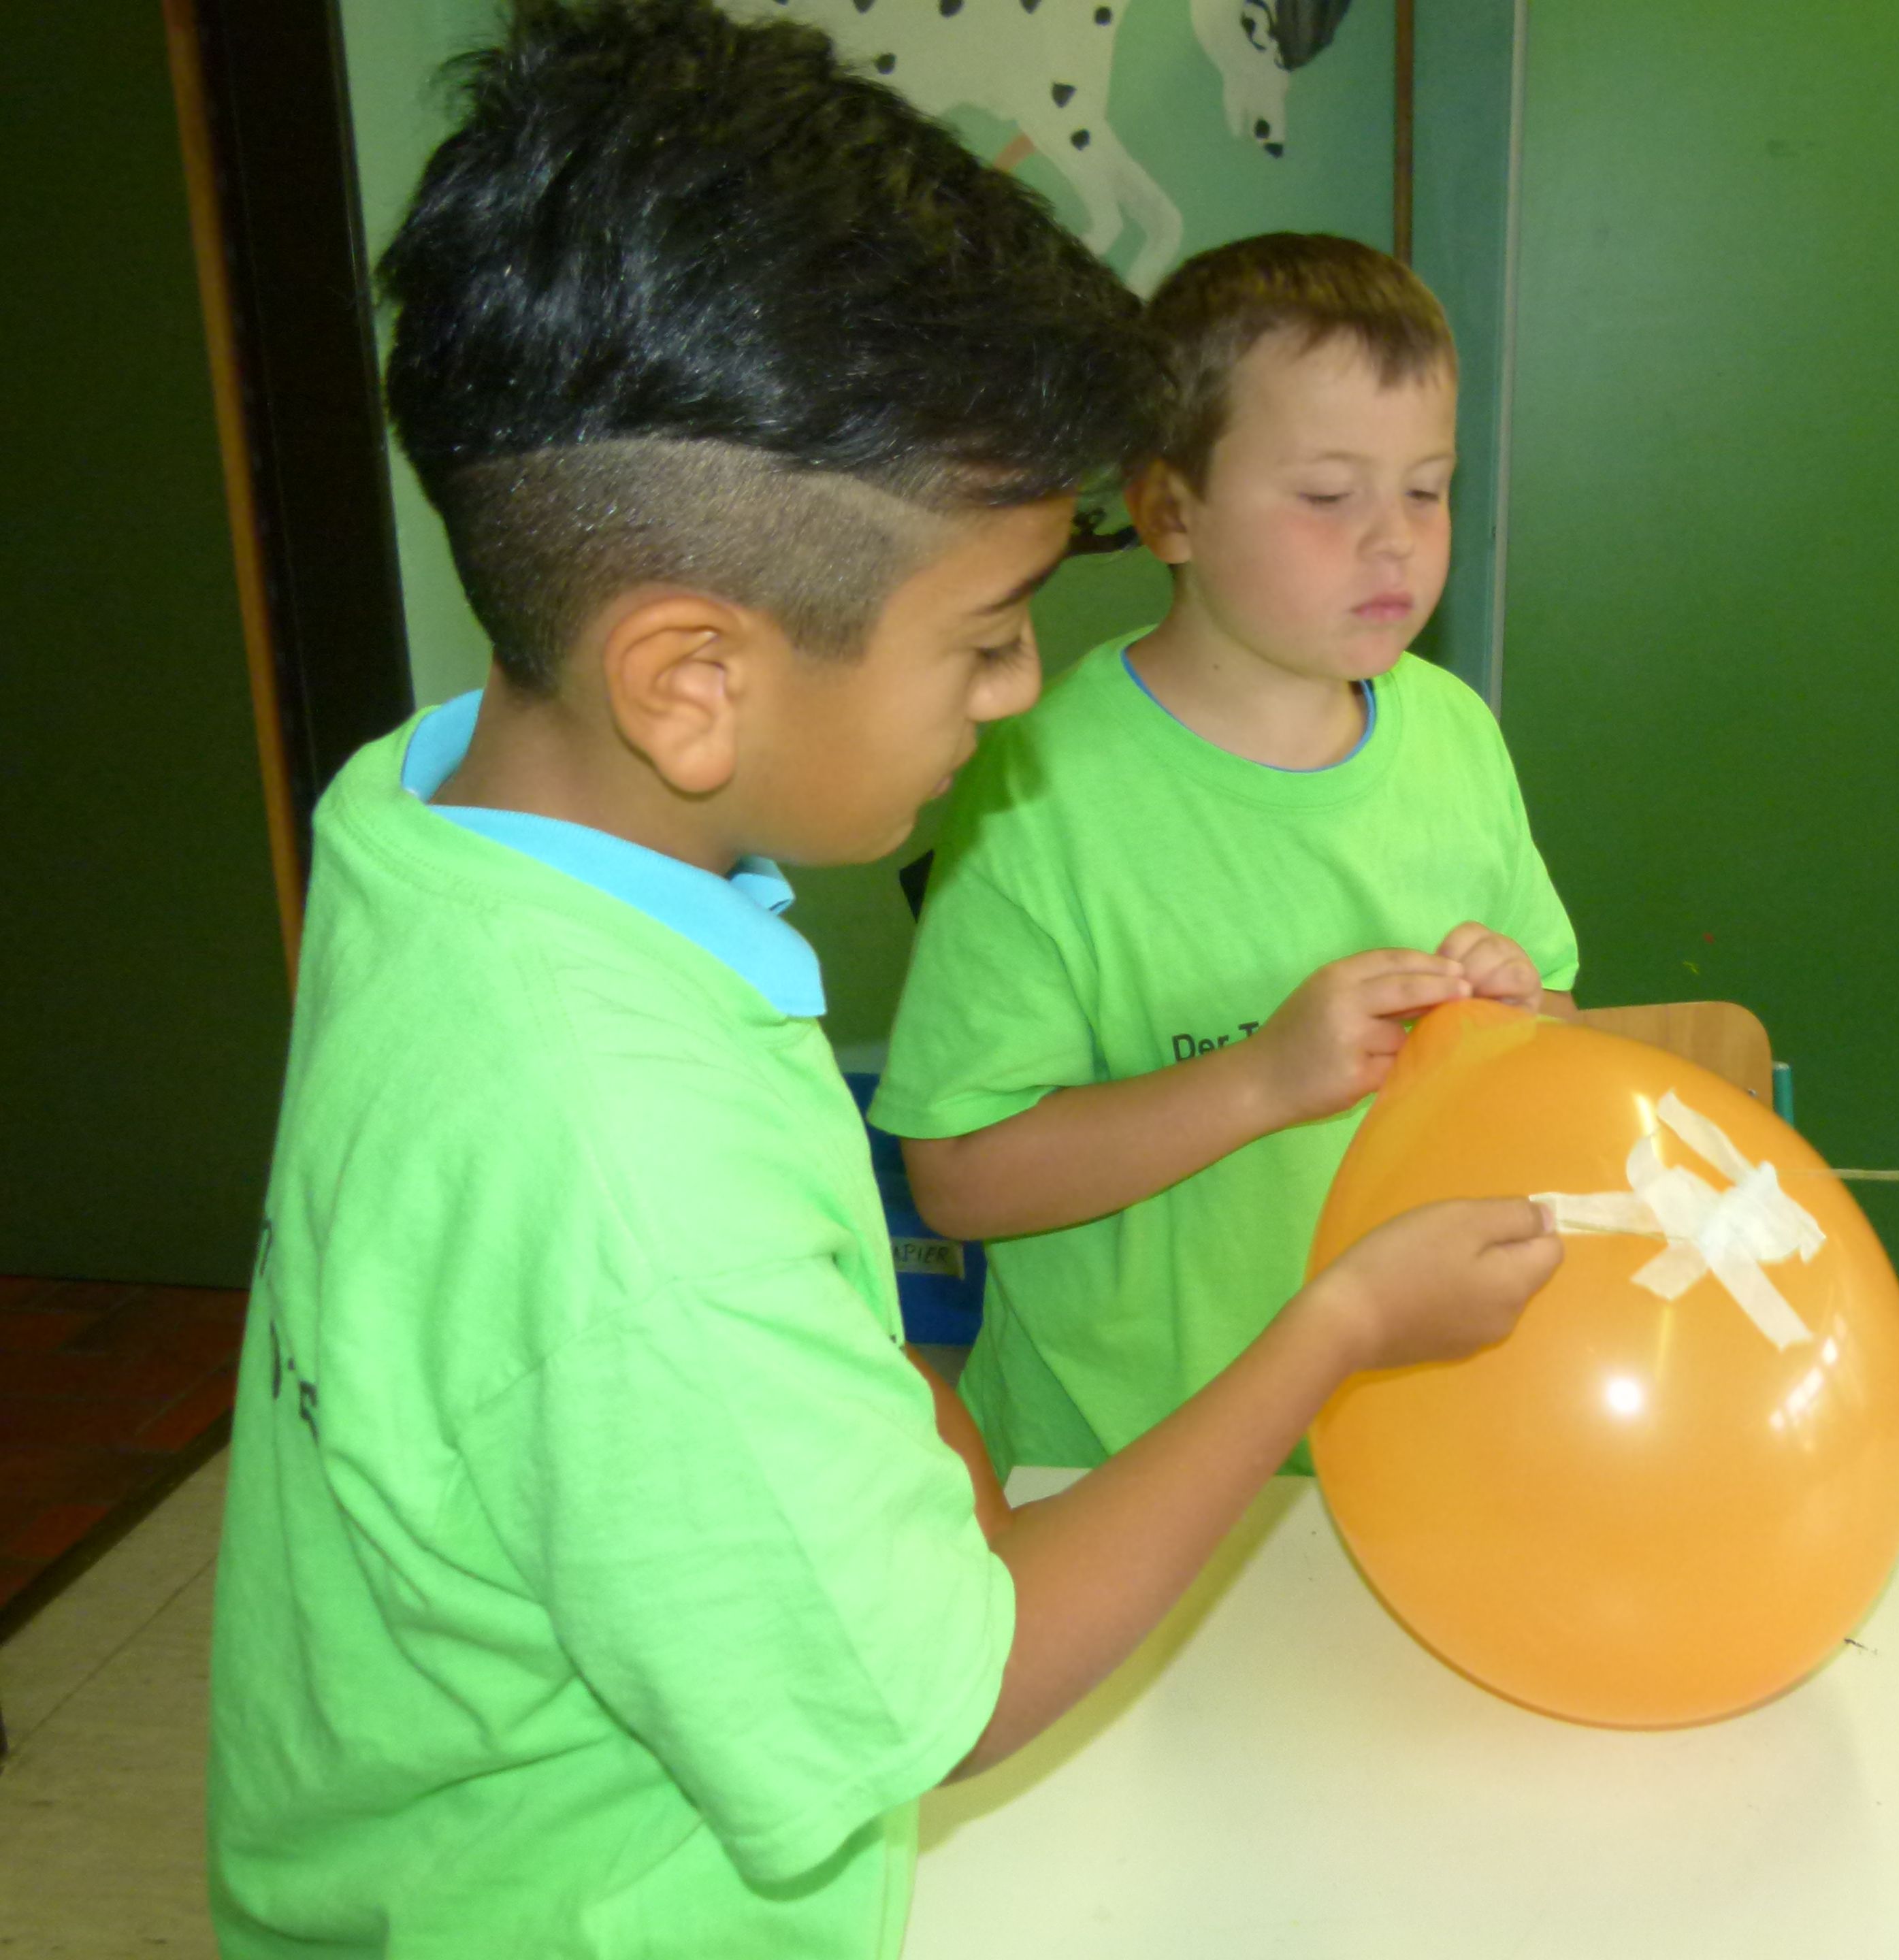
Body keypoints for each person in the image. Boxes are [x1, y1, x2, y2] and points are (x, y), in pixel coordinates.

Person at [204, 8, 1562, 1954]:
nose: (1018, 692)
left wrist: (855, 1380)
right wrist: (1333, 1325)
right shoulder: (631, 1183)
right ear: (694, 681)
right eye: (988, 633)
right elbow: (949, 1699)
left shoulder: (417, 814)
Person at [874, 234, 1580, 1473]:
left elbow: (1560, 1032)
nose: (1395, 542)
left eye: (1427, 487)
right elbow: (959, 1181)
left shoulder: (1458, 735)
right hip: (1109, 1467)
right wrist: (1261, 1080)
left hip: (1393, 1450)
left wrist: (1519, 1026)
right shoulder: (1039, 793)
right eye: (1327, 496)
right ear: (1170, 509)